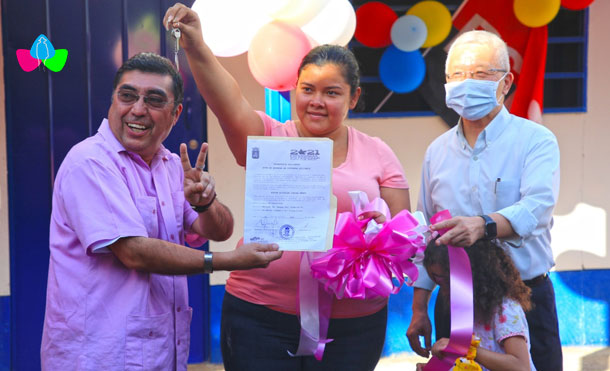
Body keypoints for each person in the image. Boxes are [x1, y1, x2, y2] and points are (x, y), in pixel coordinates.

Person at [164, 4, 411, 370]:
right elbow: (224, 97)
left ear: (353, 98)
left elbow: (402, 241)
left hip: (354, 325)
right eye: (307, 89)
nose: (316, 101)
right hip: (258, 316)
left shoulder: (379, 154)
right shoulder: (265, 138)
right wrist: (196, 45)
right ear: (294, 90)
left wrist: (377, 230)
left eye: (332, 92)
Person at [40, 52, 282, 371]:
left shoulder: (169, 165)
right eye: (127, 96)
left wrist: (205, 202)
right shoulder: (90, 162)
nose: (137, 109)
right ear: (113, 101)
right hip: (99, 354)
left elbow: (219, 230)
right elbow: (133, 251)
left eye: (154, 99)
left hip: (159, 350)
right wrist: (227, 261)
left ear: (176, 112)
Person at [406, 30, 562, 371]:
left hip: (524, 298)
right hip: (456, 301)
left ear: (506, 83)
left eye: (479, 74)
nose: (465, 83)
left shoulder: (536, 141)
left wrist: (483, 225)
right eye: (456, 76)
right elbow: (427, 232)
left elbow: (536, 208)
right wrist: (419, 308)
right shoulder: (437, 152)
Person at [416, 239, 535, 371]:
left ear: (473, 272)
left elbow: (521, 366)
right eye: (436, 280)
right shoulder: (470, 307)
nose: (443, 289)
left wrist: (467, 348)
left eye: (445, 279)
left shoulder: (505, 309)